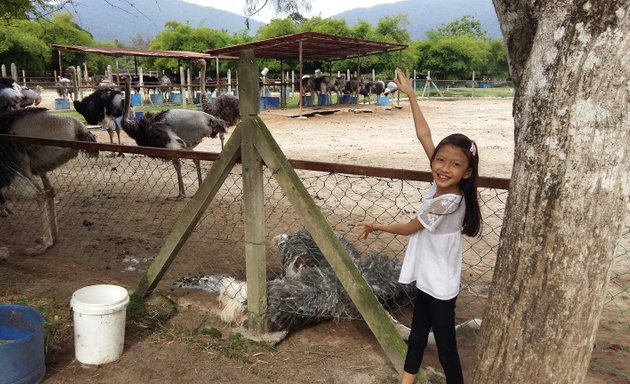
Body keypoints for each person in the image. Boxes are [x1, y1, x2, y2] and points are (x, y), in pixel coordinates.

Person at [356, 67, 481, 384]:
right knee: (415, 337)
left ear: (466, 173)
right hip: (428, 277)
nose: (443, 167)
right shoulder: (440, 184)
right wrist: (411, 95)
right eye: (440, 160)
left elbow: (412, 228)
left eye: (455, 165)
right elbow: (425, 136)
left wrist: (377, 226)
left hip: (440, 286)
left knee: (446, 349)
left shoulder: (448, 201)